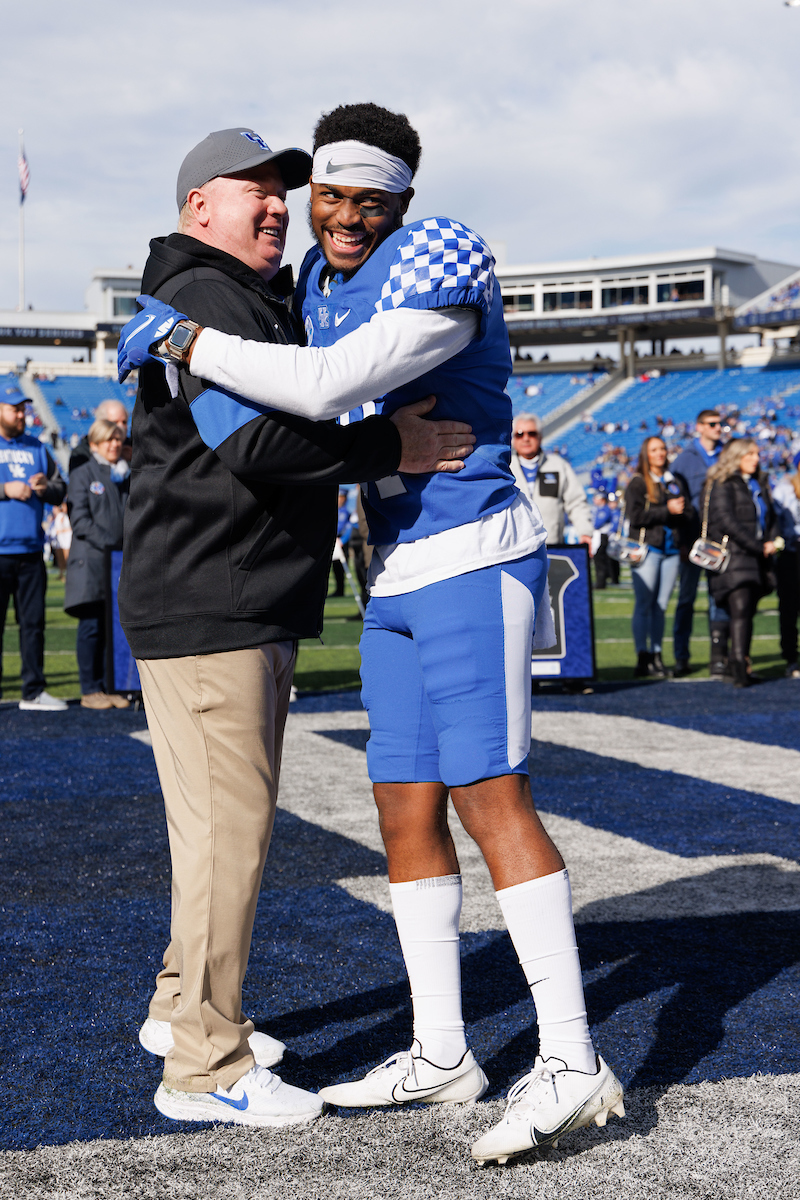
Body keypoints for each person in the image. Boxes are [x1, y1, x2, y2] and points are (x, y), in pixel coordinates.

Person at [121, 104, 624, 1165]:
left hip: (471, 555)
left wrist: (180, 334)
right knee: (400, 807)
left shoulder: (434, 255)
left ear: (404, 199)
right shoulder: (312, 281)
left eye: (369, 197)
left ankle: (572, 1057)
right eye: (328, 196)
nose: (344, 216)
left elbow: (328, 387)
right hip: (391, 569)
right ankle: (442, 1046)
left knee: (489, 796)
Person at [117, 126, 474, 1131]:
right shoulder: (206, 294)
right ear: (199, 208)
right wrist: (385, 444)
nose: (277, 205)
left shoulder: (226, 294)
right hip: (213, 600)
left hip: (222, 594)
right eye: (253, 192)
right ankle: (203, 1065)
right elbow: (254, 440)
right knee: (227, 838)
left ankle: (179, 1011)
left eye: (285, 191)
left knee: (217, 835)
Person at [0, 382, 67, 711]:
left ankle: (33, 691)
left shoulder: (38, 447)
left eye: (24, 408)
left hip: (29, 551)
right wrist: (4, 489)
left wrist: (44, 487)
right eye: (14, 408)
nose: (22, 414)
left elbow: (60, 488)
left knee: (33, 626)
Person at [64, 419, 131, 710]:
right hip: (92, 564)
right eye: (108, 440)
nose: (114, 445)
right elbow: (80, 522)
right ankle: (90, 690)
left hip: (117, 565)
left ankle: (108, 686)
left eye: (118, 440)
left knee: (111, 630)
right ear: (93, 445)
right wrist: (112, 544)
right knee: (91, 627)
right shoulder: (82, 474)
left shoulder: (124, 475)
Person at [705, 439, 778, 688]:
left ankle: (741, 662)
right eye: (749, 454)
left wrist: (771, 540)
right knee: (740, 609)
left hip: (756, 558)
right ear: (737, 457)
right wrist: (758, 545)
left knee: (747, 612)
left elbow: (770, 516)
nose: (755, 459)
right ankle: (737, 665)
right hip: (735, 556)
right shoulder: (724, 483)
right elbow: (725, 520)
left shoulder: (758, 483)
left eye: (757, 454)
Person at [625, 436, 694, 679]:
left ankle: (656, 654)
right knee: (644, 604)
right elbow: (635, 516)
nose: (660, 453)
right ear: (646, 453)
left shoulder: (673, 480)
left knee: (661, 606)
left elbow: (687, 512)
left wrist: (684, 513)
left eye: (663, 448)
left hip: (672, 549)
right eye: (654, 449)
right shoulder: (638, 482)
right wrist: (668, 510)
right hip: (648, 548)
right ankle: (642, 656)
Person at [671, 410, 730, 678]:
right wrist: (682, 541)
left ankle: (719, 657)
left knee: (718, 599)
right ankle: (681, 656)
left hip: (720, 540)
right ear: (699, 427)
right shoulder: (684, 460)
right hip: (692, 541)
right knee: (686, 599)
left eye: (720, 424)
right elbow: (677, 504)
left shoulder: (728, 455)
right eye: (713, 424)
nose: (719, 428)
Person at [510, 413, 593, 546]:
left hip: (552, 547)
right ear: (513, 439)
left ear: (540, 436)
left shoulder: (559, 466)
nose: (525, 438)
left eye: (531, 433)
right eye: (520, 434)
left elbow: (576, 502)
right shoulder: (505, 468)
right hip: (515, 549)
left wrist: (585, 532)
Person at [771, 451, 800, 678]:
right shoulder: (783, 490)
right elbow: (776, 521)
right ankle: (791, 657)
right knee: (789, 608)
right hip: (790, 552)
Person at [68, 399, 131, 473]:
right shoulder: (82, 453)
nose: (121, 426)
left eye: (124, 422)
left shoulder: (135, 448)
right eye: (114, 422)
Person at [591, 492, 620, 589]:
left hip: (603, 536)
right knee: (599, 560)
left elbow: (597, 524)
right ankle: (601, 581)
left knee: (602, 560)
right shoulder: (597, 509)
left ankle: (601, 582)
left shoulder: (606, 510)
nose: (594, 499)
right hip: (598, 536)